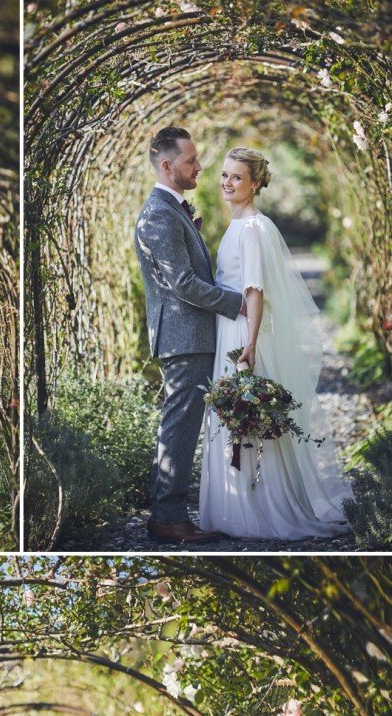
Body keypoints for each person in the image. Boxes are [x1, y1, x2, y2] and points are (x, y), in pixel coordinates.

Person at [199, 147, 350, 539]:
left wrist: (248, 347)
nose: (228, 183)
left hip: (242, 333)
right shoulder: (243, 224)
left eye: (237, 177)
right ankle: (244, 504)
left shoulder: (251, 228)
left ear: (255, 184)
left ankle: (257, 509)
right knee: (244, 421)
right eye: (225, 175)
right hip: (232, 328)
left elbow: (254, 291)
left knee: (247, 420)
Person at [134, 126, 245, 545]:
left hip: (191, 334)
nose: (200, 167)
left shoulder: (173, 210)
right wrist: (236, 304)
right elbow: (182, 282)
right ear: (167, 166)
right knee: (179, 427)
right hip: (183, 336)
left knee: (181, 425)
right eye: (191, 161)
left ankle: (170, 513)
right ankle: (168, 520)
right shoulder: (159, 213)